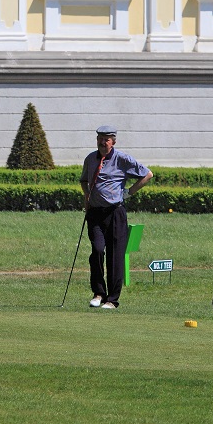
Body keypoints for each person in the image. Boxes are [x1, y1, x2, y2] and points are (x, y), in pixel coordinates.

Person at [80, 125, 153, 309]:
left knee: (115, 256)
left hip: (115, 213)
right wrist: (87, 198)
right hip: (95, 213)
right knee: (97, 250)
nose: (102, 142)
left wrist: (129, 192)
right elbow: (84, 181)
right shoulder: (90, 159)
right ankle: (98, 293)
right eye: (100, 138)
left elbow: (147, 174)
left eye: (107, 139)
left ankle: (112, 299)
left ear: (114, 141)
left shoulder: (122, 159)